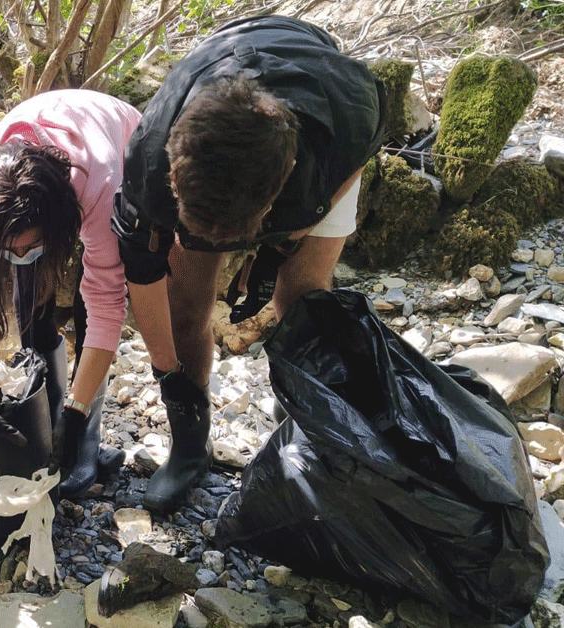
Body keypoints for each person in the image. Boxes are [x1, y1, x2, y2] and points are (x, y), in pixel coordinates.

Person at [114, 15, 385, 514]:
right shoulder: (149, 159)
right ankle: (190, 447)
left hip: (315, 137)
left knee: (302, 299)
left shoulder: (345, 117)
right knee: (184, 309)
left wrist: (301, 228)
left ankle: (299, 436)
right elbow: (144, 275)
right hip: (219, 88)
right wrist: (166, 372)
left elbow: (362, 153)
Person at [0, 89, 140, 497]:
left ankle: (83, 438)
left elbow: (107, 304)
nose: (19, 256)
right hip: (41, 162)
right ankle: (48, 423)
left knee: (91, 303)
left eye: (30, 246)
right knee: (30, 305)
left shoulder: (100, 182)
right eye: (7, 250)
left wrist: (78, 412)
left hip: (120, 142)